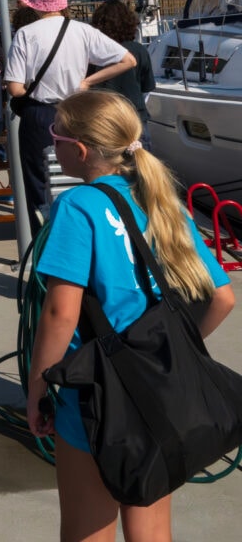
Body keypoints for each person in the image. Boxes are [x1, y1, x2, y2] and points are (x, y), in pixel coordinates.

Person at [26, 90, 234, 542]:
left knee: (87, 528)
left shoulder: (76, 207)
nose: (52, 143)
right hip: (160, 389)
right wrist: (169, 352)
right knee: (152, 528)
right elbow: (222, 297)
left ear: (78, 151)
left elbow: (61, 312)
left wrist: (38, 388)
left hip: (95, 395)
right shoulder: (164, 200)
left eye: (55, 136)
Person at [4, 0, 135, 235]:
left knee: (40, 187)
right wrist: (87, 83)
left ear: (34, 1)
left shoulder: (26, 34)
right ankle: (83, 242)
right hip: (77, 114)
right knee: (82, 179)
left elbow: (15, 89)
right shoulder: (82, 31)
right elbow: (128, 60)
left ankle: (45, 249)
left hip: (39, 116)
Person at [90, 0, 156, 149]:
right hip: (135, 118)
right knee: (140, 167)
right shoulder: (138, 50)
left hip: (104, 119)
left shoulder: (93, 52)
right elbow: (147, 88)